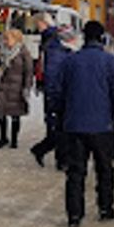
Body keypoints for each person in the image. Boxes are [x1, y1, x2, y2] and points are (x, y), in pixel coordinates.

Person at [55, 21, 114, 227]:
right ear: (102, 37)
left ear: (84, 37)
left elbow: (58, 91)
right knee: (104, 168)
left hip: (75, 125)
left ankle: (74, 215)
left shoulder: (70, 61)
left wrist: (60, 114)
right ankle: (105, 207)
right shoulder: (110, 62)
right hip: (102, 125)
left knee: (75, 172)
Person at [30, 20, 73, 168]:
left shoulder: (60, 50)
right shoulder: (56, 52)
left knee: (60, 128)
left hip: (60, 93)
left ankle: (56, 156)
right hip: (57, 94)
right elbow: (53, 76)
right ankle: (58, 158)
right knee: (59, 129)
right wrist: (54, 96)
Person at [0, 29, 34, 149]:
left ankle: (14, 140)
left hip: (17, 88)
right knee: (1, 113)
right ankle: (3, 138)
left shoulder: (24, 53)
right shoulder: (2, 52)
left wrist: (27, 87)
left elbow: (29, 72)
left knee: (15, 114)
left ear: (16, 39)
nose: (5, 41)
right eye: (4, 39)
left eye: (7, 38)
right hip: (3, 86)